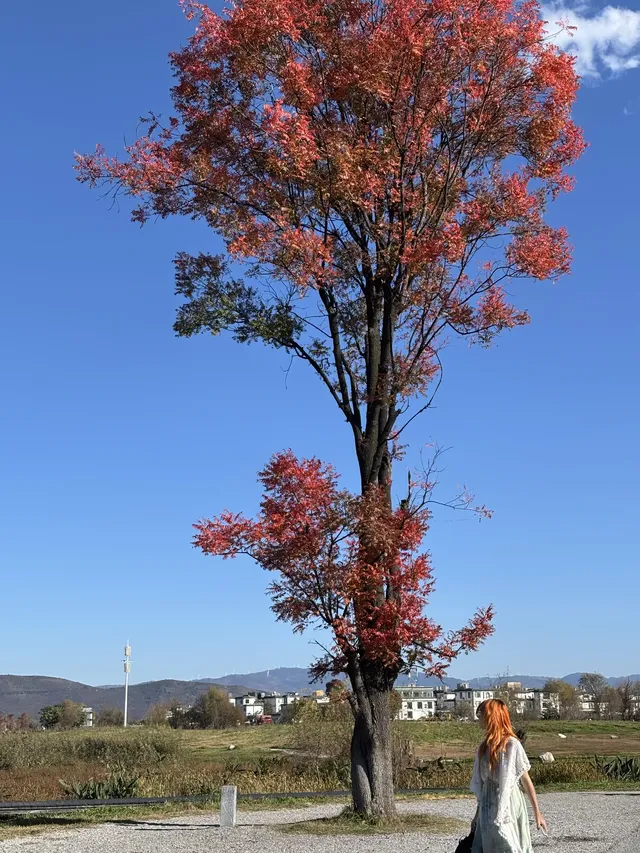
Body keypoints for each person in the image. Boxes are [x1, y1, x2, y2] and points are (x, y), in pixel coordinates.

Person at [470, 698, 548, 852]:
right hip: (488, 802)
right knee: (490, 844)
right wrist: (477, 815)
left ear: (492, 717)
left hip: (510, 801)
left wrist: (537, 813)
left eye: (482, 714)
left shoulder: (512, 745)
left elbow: (525, 779)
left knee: (509, 844)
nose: (479, 718)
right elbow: (483, 785)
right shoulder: (483, 747)